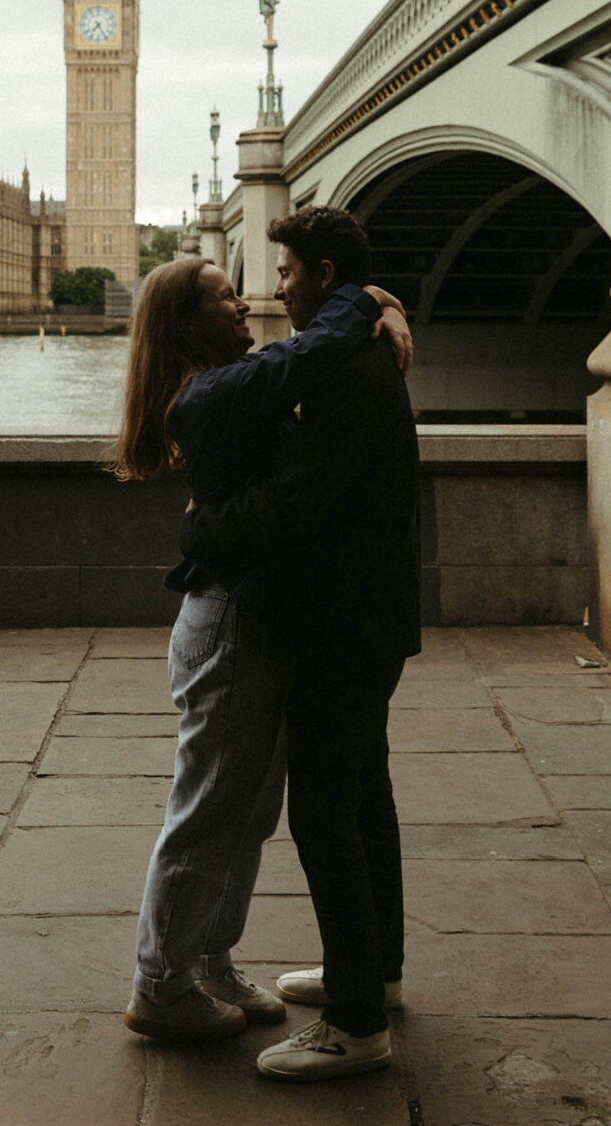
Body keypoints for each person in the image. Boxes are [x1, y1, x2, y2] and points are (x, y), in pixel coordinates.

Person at [113, 253, 411, 1043]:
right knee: (208, 813)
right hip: (230, 627)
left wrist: (374, 306)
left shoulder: (231, 381)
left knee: (248, 816)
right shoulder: (211, 391)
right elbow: (303, 356)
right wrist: (366, 298)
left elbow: (296, 364)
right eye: (222, 297)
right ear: (186, 325)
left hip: (256, 619)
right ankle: (159, 983)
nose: (245, 302)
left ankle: (209, 958)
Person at [180, 205, 421, 1082]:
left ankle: (357, 1025)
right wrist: (379, 303)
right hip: (371, 610)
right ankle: (376, 972)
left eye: (284, 272)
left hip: (344, 618)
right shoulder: (360, 341)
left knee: (326, 811)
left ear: (321, 275)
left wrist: (205, 530)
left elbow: (297, 500)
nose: (272, 286)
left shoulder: (347, 360)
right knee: (365, 797)